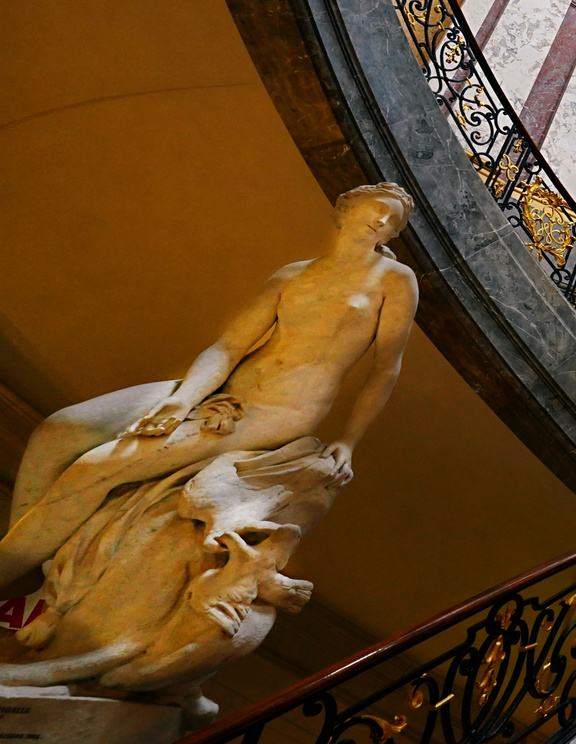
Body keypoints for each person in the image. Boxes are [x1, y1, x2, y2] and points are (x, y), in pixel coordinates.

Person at [0, 184, 420, 589]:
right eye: (376, 208)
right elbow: (229, 346)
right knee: (61, 428)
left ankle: (10, 574)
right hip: (220, 389)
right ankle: (34, 556)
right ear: (345, 209)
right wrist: (183, 399)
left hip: (278, 411)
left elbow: (386, 369)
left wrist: (349, 440)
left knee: (95, 469)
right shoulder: (293, 275)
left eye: (393, 221)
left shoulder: (395, 280)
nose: (383, 219)